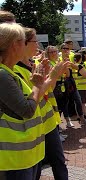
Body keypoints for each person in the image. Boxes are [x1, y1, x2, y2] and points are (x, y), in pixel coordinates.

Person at [0, 22, 66, 180]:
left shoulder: (9, 73)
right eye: (25, 41)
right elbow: (27, 109)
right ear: (15, 45)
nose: (36, 46)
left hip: (25, 156)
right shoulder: (3, 75)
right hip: (14, 160)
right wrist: (42, 83)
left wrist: (45, 80)